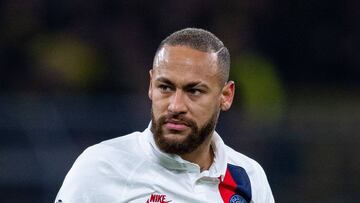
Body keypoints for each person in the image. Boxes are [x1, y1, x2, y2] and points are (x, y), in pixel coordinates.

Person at [55, 28, 274, 203]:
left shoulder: (249, 176)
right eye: (165, 87)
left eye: (194, 91)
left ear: (225, 96)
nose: (175, 106)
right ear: (151, 85)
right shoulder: (102, 167)